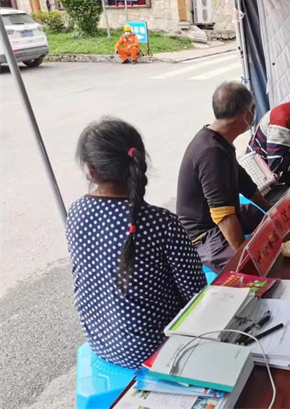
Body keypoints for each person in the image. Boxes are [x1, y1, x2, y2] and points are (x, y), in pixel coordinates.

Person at [66, 118, 207, 369]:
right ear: (140, 162)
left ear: (91, 170)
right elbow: (196, 293)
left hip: (101, 343)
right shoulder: (160, 222)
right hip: (155, 348)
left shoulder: (77, 212)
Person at [177, 82, 272, 272]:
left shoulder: (217, 138)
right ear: (248, 113)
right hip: (204, 234)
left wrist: (271, 211)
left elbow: (243, 181)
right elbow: (222, 215)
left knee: (265, 222)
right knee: (247, 269)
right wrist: (244, 254)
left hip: (224, 213)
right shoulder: (211, 152)